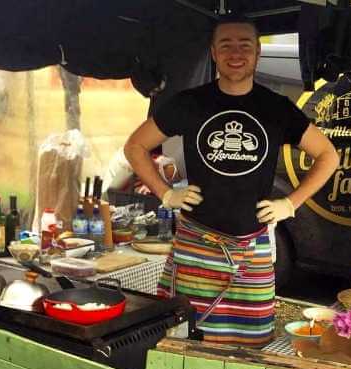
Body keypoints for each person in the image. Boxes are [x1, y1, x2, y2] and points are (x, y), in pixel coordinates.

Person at [124, 14, 339, 347]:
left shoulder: (276, 108)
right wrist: (166, 194)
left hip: (251, 252)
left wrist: (290, 203)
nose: (235, 53)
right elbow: (135, 146)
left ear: (257, 53)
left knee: (250, 348)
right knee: (186, 343)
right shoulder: (189, 102)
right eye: (226, 44)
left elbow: (328, 155)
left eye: (245, 44)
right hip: (196, 245)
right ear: (213, 52)